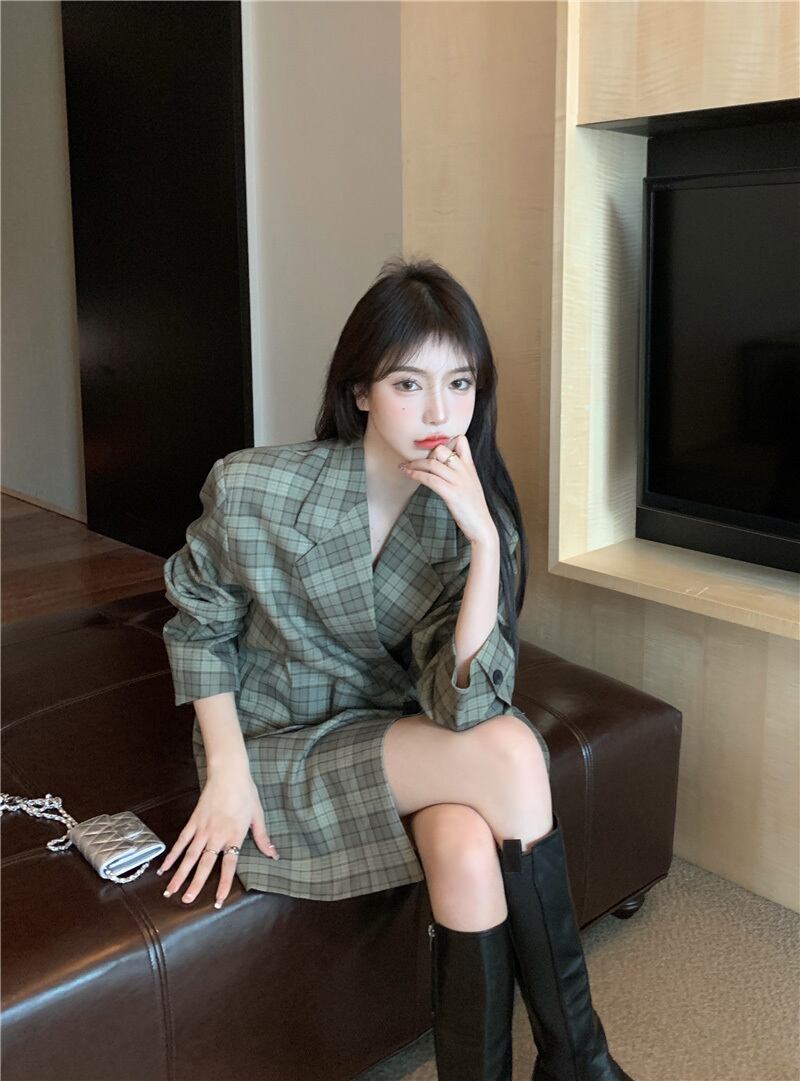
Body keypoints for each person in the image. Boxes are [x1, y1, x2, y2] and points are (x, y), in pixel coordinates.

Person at [157, 257, 634, 1081]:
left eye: (460, 383)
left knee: (465, 843)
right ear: (361, 392)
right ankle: (579, 1063)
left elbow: (464, 706)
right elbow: (198, 625)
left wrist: (485, 543)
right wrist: (227, 771)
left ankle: (560, 1063)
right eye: (409, 384)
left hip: (393, 738)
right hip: (272, 748)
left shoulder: (467, 521)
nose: (440, 413)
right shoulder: (254, 487)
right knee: (513, 752)